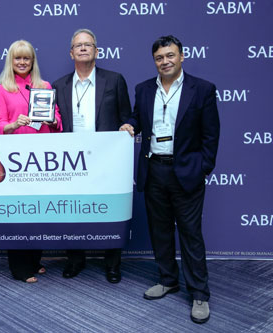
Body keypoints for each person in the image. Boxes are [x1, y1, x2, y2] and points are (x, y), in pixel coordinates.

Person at [120, 35, 220, 323]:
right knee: (160, 231)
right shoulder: (143, 89)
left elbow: (211, 135)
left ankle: (199, 293)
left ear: (182, 56)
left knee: (190, 233)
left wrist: (202, 167)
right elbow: (138, 117)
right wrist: (130, 123)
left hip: (186, 171)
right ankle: (168, 279)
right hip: (154, 170)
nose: (165, 61)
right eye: (160, 58)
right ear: (154, 61)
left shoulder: (201, 89)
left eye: (170, 55)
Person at [52, 28, 132, 284]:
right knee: (73, 212)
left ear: (97, 51)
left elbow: (127, 116)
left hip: (106, 160)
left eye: (88, 44)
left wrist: (128, 126)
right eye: (78, 45)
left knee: (110, 212)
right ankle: (75, 260)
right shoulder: (58, 85)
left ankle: (112, 264)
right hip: (71, 162)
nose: (83, 48)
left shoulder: (115, 80)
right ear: (71, 52)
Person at [0, 40, 62, 283]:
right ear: (10, 61)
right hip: (17, 160)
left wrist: (53, 121)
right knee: (20, 212)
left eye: (27, 58)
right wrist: (13, 125)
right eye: (17, 58)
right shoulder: (3, 89)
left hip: (42, 158)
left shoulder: (44, 86)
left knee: (39, 211)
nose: (22, 62)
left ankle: (34, 261)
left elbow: (56, 119)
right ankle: (20, 268)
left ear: (33, 61)